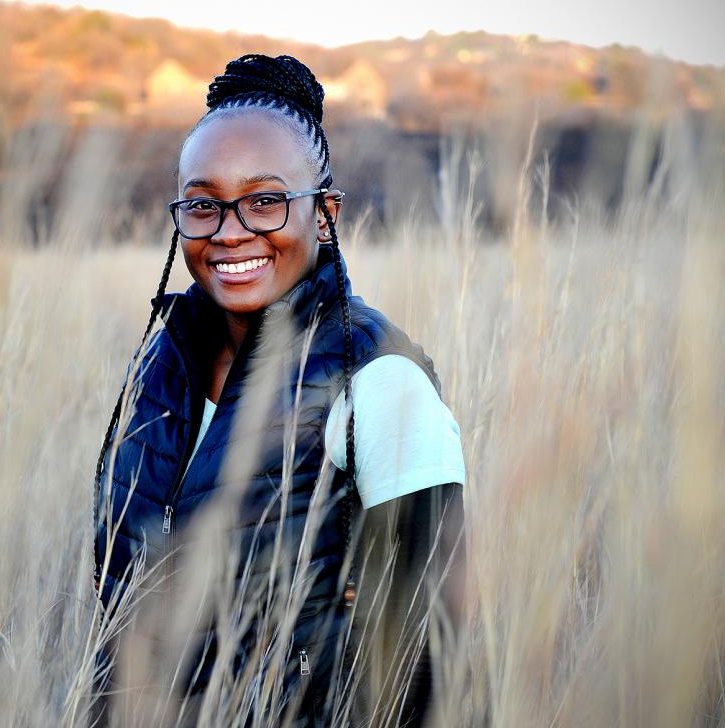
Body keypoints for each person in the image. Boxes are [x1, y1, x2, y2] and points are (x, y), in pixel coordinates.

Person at [92, 53, 466, 727]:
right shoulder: (160, 368)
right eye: (203, 204)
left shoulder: (380, 379)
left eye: (265, 200)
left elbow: (429, 662)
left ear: (323, 214)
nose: (230, 231)